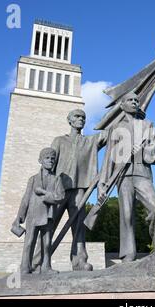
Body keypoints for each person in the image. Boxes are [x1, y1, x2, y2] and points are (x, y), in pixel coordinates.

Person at [34, 109, 107, 271]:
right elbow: (50, 165)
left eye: (83, 117)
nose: (81, 119)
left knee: (79, 227)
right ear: (70, 120)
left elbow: (107, 134)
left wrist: (121, 114)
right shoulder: (59, 141)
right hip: (59, 188)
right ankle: (37, 262)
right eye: (77, 117)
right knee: (48, 225)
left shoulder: (89, 141)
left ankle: (79, 261)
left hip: (80, 190)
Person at [98, 91, 155, 262]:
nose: (134, 102)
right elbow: (108, 157)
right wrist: (102, 184)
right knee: (126, 215)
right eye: (130, 100)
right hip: (123, 175)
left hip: (142, 173)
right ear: (122, 105)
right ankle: (128, 254)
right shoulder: (116, 128)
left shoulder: (148, 125)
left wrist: (143, 151)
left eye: (136, 100)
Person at [12, 147, 65, 274]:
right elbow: (26, 198)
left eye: (53, 159)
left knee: (46, 244)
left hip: (48, 215)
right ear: (40, 160)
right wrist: (19, 217)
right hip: (33, 214)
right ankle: (25, 267)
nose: (50, 161)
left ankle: (46, 267)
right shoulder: (33, 179)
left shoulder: (57, 179)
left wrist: (44, 193)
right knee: (29, 242)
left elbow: (60, 197)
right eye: (47, 158)